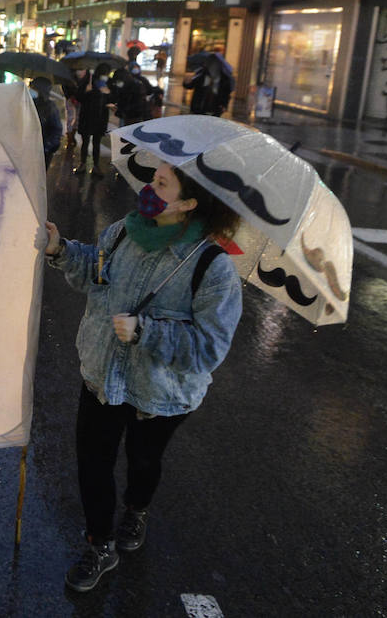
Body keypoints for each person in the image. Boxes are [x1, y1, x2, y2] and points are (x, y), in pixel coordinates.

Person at [43, 162, 243, 592]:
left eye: (161, 184)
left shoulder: (213, 268)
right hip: (101, 375)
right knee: (92, 464)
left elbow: (208, 349)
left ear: (188, 203)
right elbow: (94, 274)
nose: (149, 187)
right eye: (153, 178)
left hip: (160, 394)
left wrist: (147, 332)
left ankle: (137, 508)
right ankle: (99, 543)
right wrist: (59, 249)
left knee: (143, 460)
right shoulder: (121, 232)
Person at [76, 73, 113, 175]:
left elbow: (112, 100)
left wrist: (108, 94)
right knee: (85, 142)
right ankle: (82, 163)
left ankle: (96, 166)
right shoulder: (87, 83)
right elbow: (79, 98)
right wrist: (86, 91)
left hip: (99, 119)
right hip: (87, 118)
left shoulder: (107, 84)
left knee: (96, 143)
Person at [30, 78, 63, 168]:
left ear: (41, 90)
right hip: (27, 150)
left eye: (33, 87)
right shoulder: (28, 103)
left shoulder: (50, 107)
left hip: (42, 153)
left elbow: (56, 131)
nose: (30, 90)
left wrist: (45, 148)